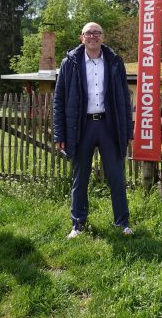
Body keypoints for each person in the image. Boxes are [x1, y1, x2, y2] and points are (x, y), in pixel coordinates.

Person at [53, 22, 134, 239]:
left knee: (116, 176)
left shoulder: (115, 62)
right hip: (82, 126)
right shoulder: (69, 63)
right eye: (89, 33)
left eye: (97, 33)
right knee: (80, 177)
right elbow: (59, 99)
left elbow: (124, 100)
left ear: (102, 37)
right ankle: (78, 224)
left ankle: (122, 223)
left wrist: (127, 132)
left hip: (109, 126)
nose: (93, 36)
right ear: (82, 38)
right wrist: (59, 134)